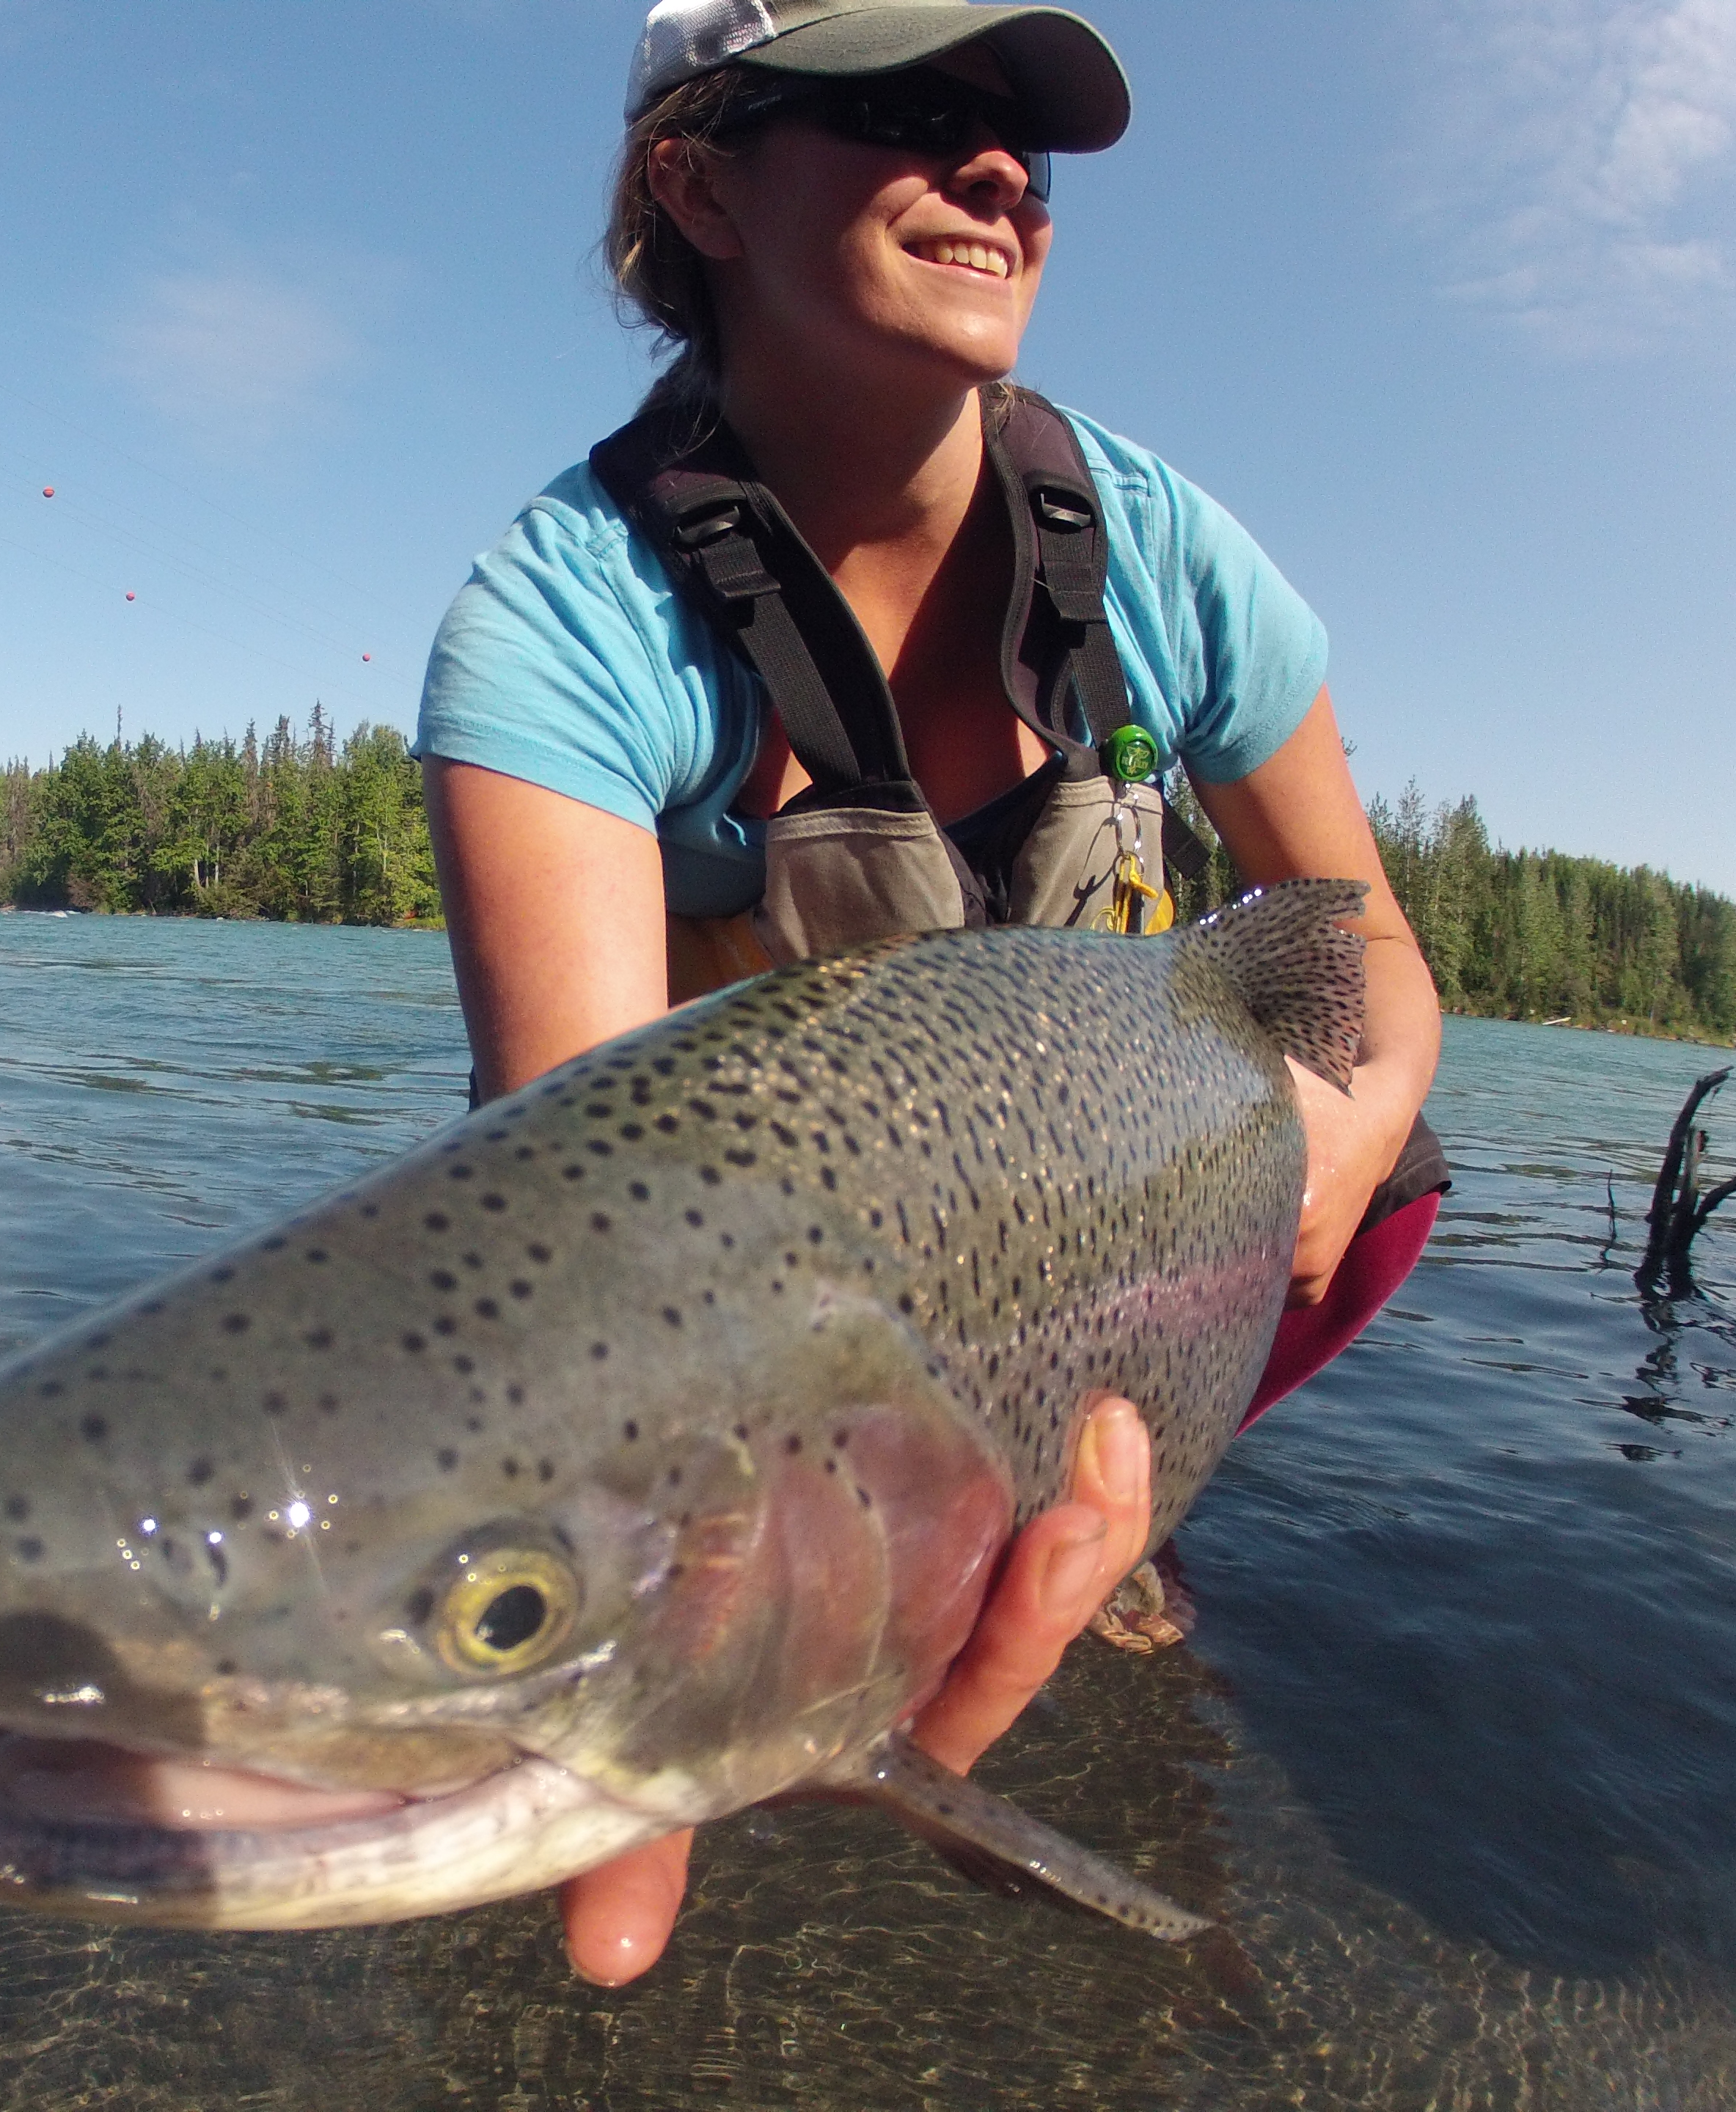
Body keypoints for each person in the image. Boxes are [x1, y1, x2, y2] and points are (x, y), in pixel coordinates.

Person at [412, 0, 1445, 1985]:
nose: (998, 176)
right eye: (905, 112)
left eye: (1020, 140)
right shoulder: (560, 625)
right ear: (695, 182)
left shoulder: (1163, 555)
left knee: (1391, 1192)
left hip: (1124, 1195)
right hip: (780, 1243)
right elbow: (597, 1218)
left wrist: (1355, 1120)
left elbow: (1360, 946)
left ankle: (1117, 1503)